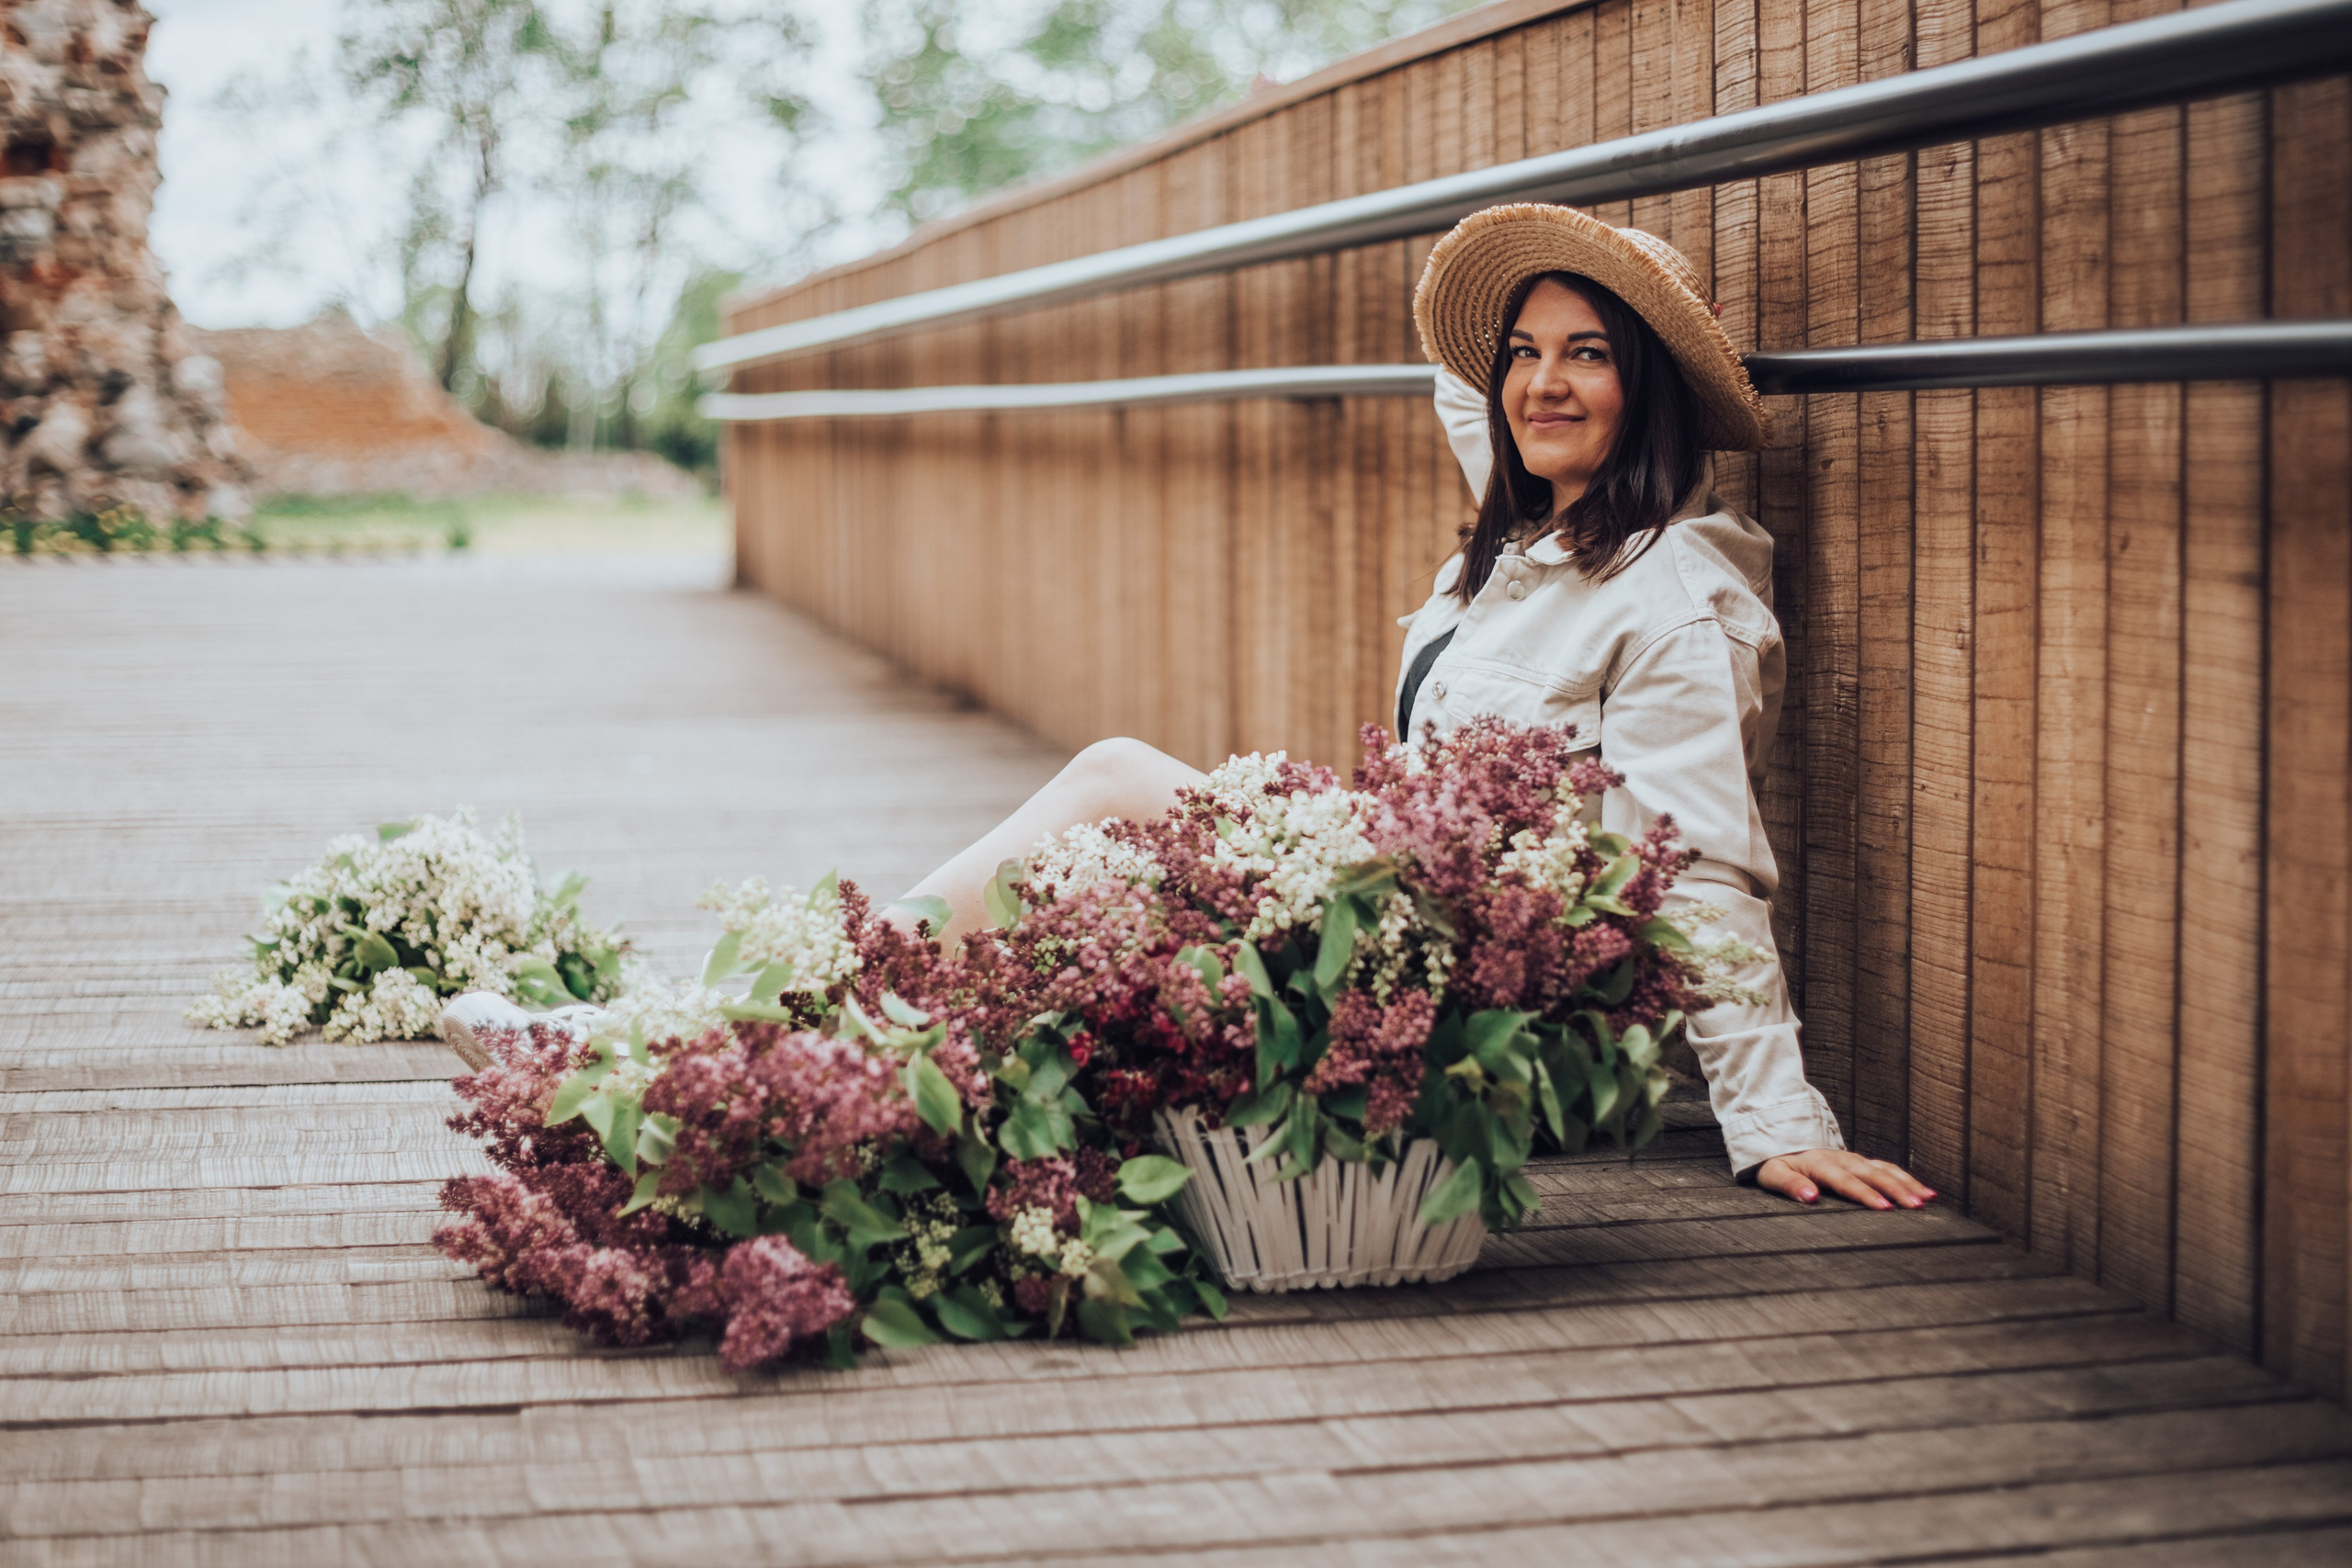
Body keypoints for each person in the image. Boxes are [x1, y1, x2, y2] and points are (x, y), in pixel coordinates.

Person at [895, 202, 1933, 1213]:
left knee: (1118, 782)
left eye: (1589, 354)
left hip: (1486, 1003)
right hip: (1402, 926)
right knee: (1094, 921)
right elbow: (1473, 388)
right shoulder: (1528, 548)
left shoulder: (1669, 606)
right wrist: (1525, 290)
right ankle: (868, 1063)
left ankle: (832, 997)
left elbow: (1698, 871)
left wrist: (1775, 1122)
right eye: (1522, 353)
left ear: (1651, 389)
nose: (1542, 386)